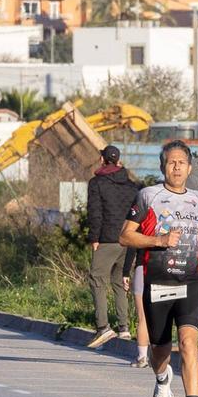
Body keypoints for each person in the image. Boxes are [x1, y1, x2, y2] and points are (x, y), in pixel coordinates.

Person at [119, 141, 198, 397]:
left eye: (181, 162)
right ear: (163, 167)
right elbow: (125, 236)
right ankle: (162, 378)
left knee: (189, 343)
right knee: (160, 351)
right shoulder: (148, 196)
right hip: (158, 281)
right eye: (171, 162)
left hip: (191, 281)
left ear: (189, 168)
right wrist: (159, 242)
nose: (176, 167)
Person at [85, 145, 141, 349]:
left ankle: (103, 327)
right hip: (129, 239)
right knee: (119, 280)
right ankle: (124, 328)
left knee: (97, 278)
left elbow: (95, 212)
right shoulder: (133, 186)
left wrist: (94, 238)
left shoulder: (97, 183)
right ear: (118, 161)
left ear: (102, 159)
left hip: (107, 238)